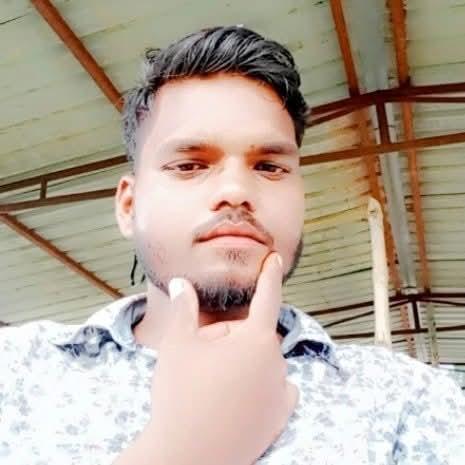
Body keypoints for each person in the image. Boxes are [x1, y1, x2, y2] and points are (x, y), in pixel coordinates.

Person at [0, 26, 464, 465]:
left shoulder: (409, 401)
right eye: (189, 165)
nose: (236, 190)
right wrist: (183, 452)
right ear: (128, 205)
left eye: (269, 167)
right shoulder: (16, 371)